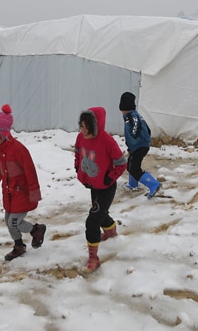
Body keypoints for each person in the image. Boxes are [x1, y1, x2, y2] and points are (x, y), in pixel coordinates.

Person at [0, 104, 47, 261]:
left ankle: (35, 229)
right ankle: (19, 245)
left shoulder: (18, 149)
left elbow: (30, 171)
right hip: (9, 192)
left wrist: (34, 192)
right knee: (8, 221)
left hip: (22, 192)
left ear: (4, 133)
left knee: (14, 221)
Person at [74, 107, 127, 272]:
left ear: (95, 126)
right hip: (93, 185)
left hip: (106, 187)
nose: (82, 130)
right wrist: (78, 168)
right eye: (81, 126)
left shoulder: (107, 141)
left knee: (92, 221)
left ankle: (93, 258)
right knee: (100, 213)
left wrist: (109, 177)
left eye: (85, 127)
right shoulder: (80, 138)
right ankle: (111, 232)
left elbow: (121, 162)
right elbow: (77, 153)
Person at [119, 91, 161, 199]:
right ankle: (133, 185)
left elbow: (135, 128)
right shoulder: (133, 116)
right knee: (131, 165)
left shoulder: (132, 116)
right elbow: (148, 129)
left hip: (139, 146)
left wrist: (135, 138)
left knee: (134, 168)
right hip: (138, 146)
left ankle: (153, 184)